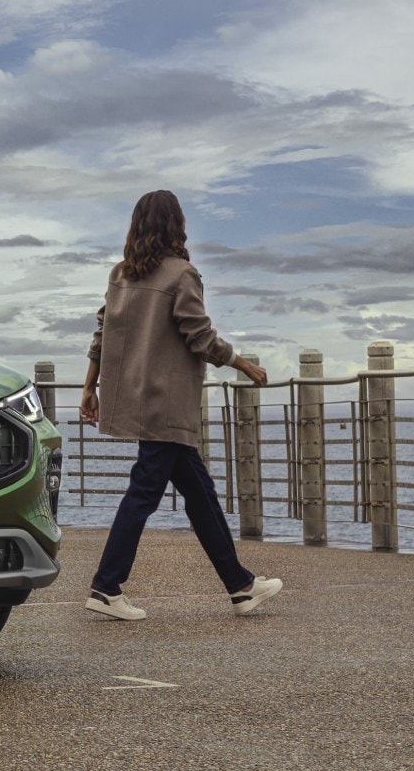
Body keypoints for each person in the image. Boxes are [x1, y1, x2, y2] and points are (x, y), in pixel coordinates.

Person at [78, 189, 281, 620]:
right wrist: (243, 364)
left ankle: (241, 587)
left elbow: (103, 334)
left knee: (199, 494)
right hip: (168, 405)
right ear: (177, 225)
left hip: (137, 398)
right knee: (144, 492)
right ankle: (105, 586)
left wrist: (89, 388)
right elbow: (199, 336)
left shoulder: (121, 275)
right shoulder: (182, 275)